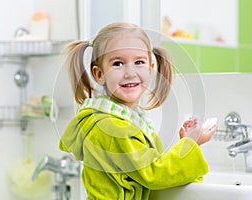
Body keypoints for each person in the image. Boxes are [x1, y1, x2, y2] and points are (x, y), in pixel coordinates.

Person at [59, 22, 217, 200]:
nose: (130, 72)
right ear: (99, 74)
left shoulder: (127, 122)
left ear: (150, 68)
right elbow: (153, 174)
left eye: (139, 62)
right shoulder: (111, 128)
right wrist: (190, 144)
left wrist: (184, 142)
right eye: (118, 63)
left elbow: (146, 168)